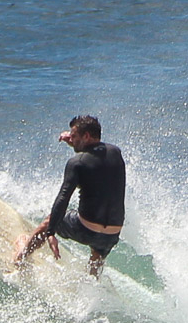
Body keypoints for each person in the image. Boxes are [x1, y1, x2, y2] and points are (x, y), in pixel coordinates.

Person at [16, 114, 125, 277]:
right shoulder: (115, 152)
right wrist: (75, 140)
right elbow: (95, 159)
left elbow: (63, 198)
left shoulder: (76, 163)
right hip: (112, 234)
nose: (71, 138)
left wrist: (51, 233)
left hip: (86, 229)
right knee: (97, 255)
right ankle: (91, 283)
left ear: (86, 136)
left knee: (49, 220)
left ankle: (21, 257)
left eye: (74, 136)